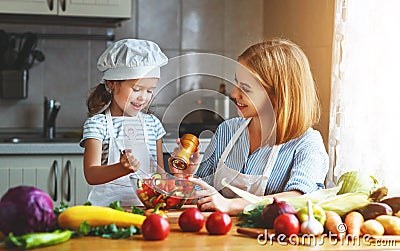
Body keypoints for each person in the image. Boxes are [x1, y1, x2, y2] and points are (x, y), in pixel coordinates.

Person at [172, 38, 329, 215]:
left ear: (277, 96)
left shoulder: (307, 143)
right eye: (236, 83)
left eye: (245, 88)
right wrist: (186, 178)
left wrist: (232, 205)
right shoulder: (227, 130)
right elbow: (202, 197)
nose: (234, 93)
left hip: (270, 240)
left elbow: (300, 199)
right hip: (218, 236)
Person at [80, 39, 168, 206]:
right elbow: (91, 175)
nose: (143, 97)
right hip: (106, 212)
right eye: (136, 89)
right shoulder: (98, 125)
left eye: (150, 90)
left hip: (145, 211)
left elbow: (160, 176)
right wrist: (121, 169)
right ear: (112, 83)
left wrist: (178, 169)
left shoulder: (153, 125)